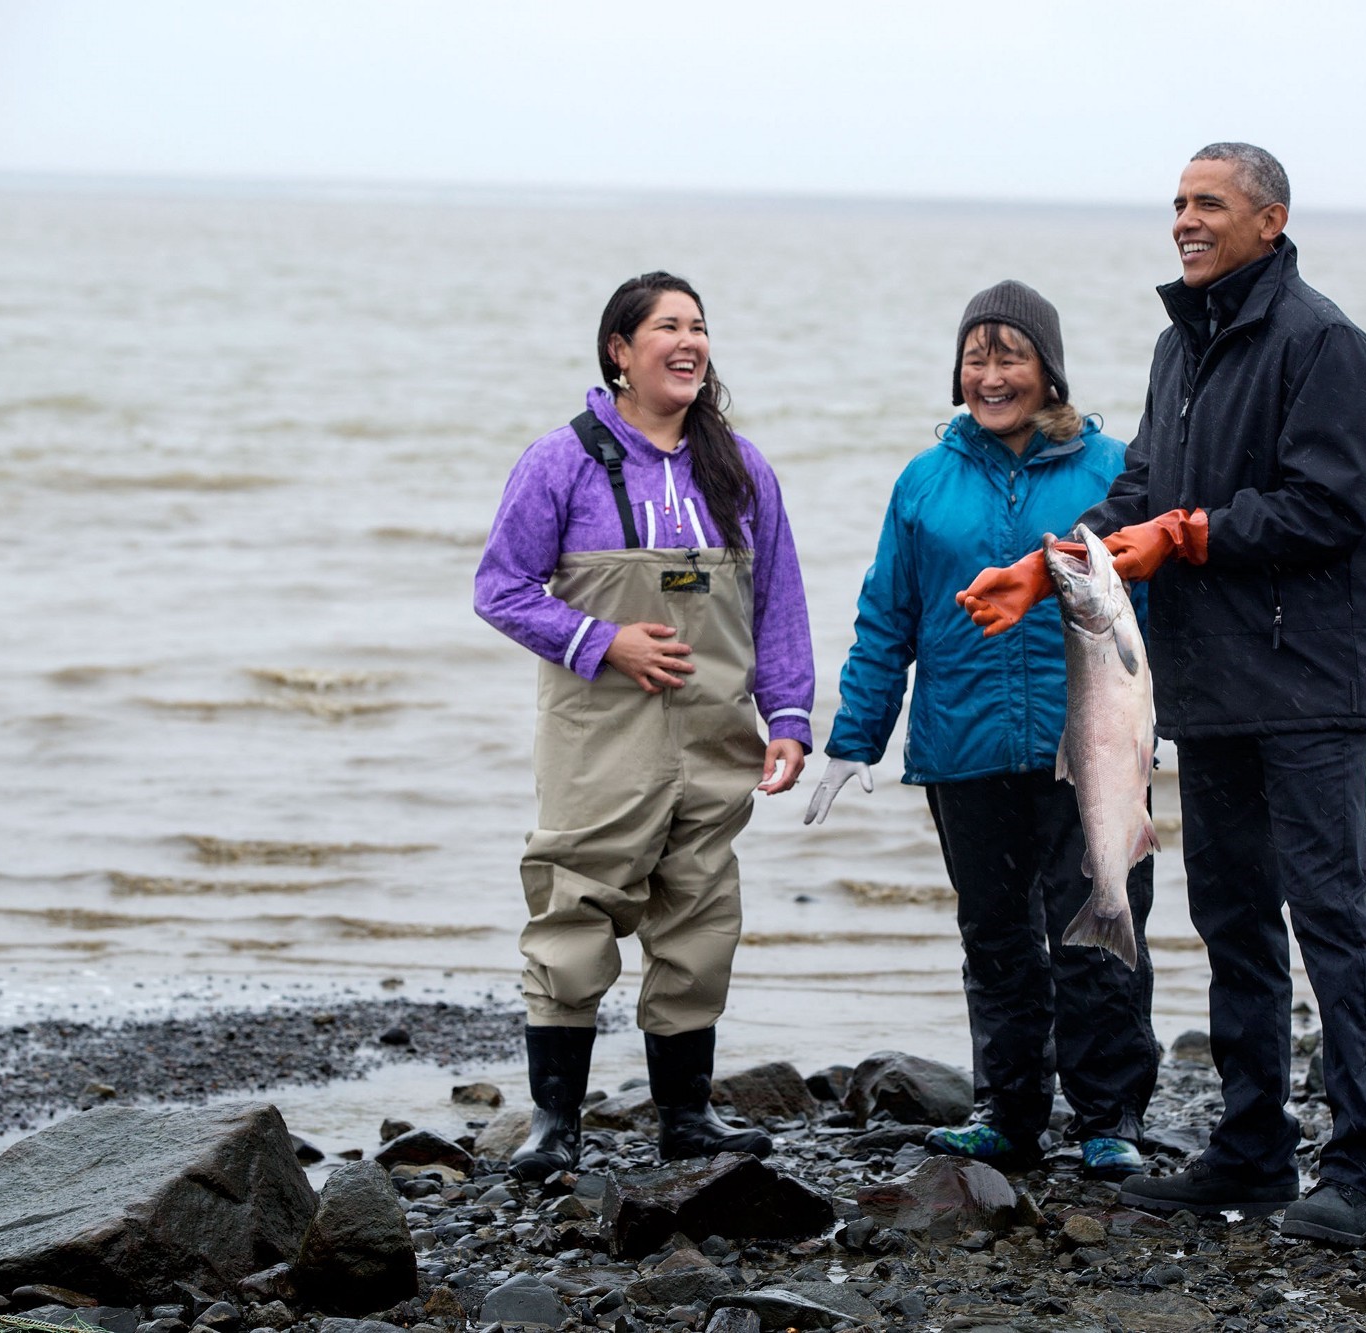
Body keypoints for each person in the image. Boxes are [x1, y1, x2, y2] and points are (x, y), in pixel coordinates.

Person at [956, 144, 1366, 1247]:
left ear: (1270, 220)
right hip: (1205, 687)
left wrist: (1191, 533)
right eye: (1176, 203)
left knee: (1330, 920)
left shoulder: (1325, 346)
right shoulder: (1180, 345)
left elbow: (1328, 506)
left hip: (1307, 686)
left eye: (1208, 204)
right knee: (1232, 918)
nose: (1183, 221)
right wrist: (1048, 562)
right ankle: (1250, 1145)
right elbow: (1144, 490)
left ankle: (1361, 1170)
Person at [805, 280, 1159, 1178]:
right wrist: (856, 737)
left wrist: (1178, 719)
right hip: (963, 749)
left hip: (1091, 756)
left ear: (1049, 372)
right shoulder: (924, 482)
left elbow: (1153, 609)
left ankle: (1109, 1115)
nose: (991, 373)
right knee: (995, 937)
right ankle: (1007, 1109)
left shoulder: (1113, 470)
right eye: (977, 356)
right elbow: (888, 616)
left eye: (1011, 355)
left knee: (1100, 930)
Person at [474, 271, 814, 1180]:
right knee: (574, 906)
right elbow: (499, 589)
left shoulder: (740, 468)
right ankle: (556, 1123)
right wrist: (603, 639)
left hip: (714, 738)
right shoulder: (562, 461)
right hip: (601, 736)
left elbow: (777, 602)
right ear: (619, 351)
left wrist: (787, 715)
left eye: (699, 326)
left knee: (701, 914)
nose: (689, 341)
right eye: (668, 326)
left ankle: (689, 1118)